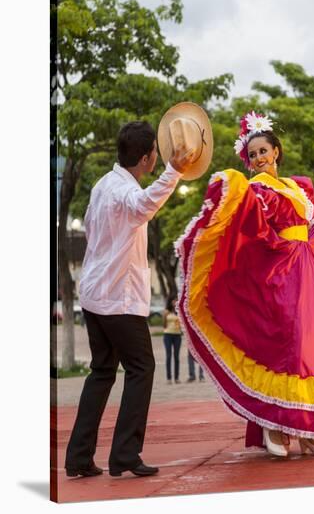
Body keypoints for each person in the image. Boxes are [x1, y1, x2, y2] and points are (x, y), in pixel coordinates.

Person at [175, 110, 314, 458]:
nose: (258, 158)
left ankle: (309, 432)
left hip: (309, 269)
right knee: (286, 347)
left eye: (263, 151)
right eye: (252, 154)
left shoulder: (297, 186)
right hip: (279, 270)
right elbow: (251, 221)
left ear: (276, 151)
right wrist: (231, 185)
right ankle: (274, 427)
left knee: (312, 349)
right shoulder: (257, 188)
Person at [64, 119, 196, 479]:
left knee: (102, 372)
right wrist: (174, 172)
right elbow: (143, 205)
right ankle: (124, 454)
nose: (158, 155)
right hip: (117, 298)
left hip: (94, 294)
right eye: (156, 152)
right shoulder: (123, 192)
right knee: (141, 368)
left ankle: (79, 457)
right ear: (146, 157)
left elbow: (99, 227)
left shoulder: (104, 184)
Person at [163, 297, 182, 384]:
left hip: (177, 335)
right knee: (168, 356)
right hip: (168, 335)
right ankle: (169, 378)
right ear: (170, 302)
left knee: (176, 357)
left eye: (176, 300)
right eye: (173, 300)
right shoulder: (166, 311)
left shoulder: (179, 311)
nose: (175, 302)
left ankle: (177, 377)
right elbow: (164, 324)